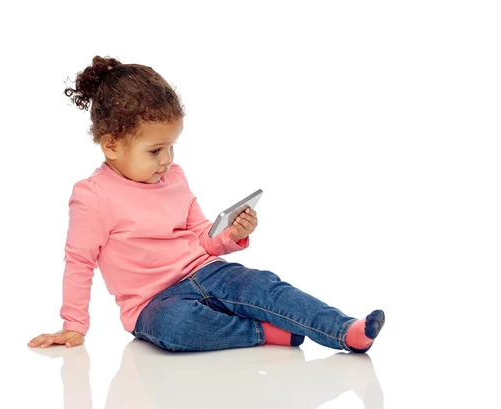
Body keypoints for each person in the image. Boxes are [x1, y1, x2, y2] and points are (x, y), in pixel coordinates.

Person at [28, 55, 385, 353]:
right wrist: (74, 325)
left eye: (171, 147)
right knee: (176, 328)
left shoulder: (175, 178)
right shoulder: (93, 196)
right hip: (152, 304)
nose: (167, 159)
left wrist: (229, 235)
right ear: (111, 146)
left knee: (264, 286)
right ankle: (265, 334)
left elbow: (203, 238)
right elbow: (79, 262)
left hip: (207, 271)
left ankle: (345, 330)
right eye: (155, 151)